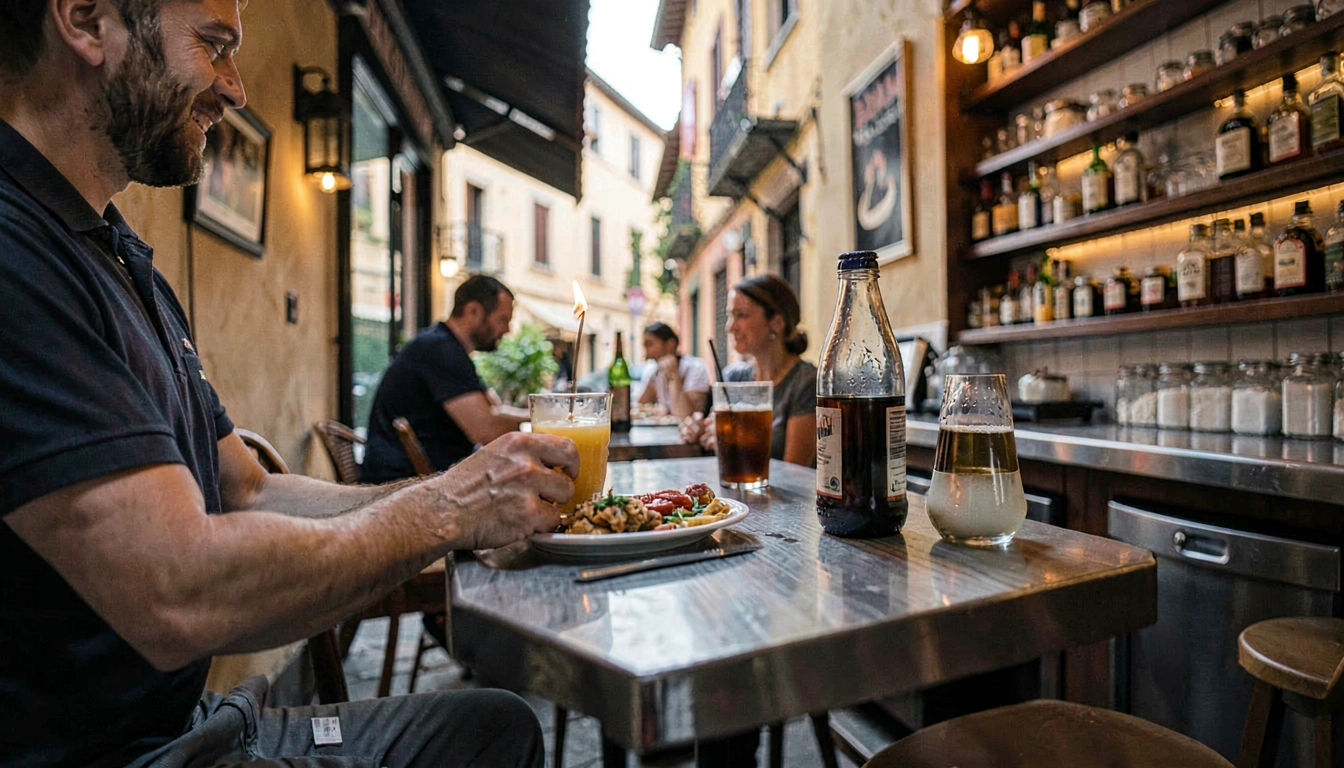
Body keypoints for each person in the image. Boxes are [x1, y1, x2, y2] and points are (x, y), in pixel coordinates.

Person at [0, 1, 573, 766]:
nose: (236, 89)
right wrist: (450, 508)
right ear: (85, 19)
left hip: (197, 723)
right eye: (213, 46)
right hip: (117, 755)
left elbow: (249, 490)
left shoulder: (120, 257)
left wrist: (467, 499)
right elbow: (179, 590)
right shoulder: (17, 257)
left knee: (498, 726)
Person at [361, 275, 529, 483]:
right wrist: (536, 417)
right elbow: (488, 432)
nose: (507, 330)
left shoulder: (443, 346)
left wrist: (532, 413)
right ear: (473, 311)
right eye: (502, 319)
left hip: (421, 478)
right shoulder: (440, 350)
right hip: (403, 485)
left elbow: (493, 411)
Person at [680, 274, 817, 468]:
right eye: (730, 316)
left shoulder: (806, 383)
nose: (730, 327)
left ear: (777, 322)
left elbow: (795, 471)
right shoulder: (734, 377)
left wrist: (734, 446)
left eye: (741, 315)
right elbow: (714, 435)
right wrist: (697, 429)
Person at [638, 321, 710, 419]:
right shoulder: (654, 370)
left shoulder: (695, 368)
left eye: (650, 344)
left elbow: (686, 415)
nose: (646, 350)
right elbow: (641, 406)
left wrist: (673, 375)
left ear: (670, 344)